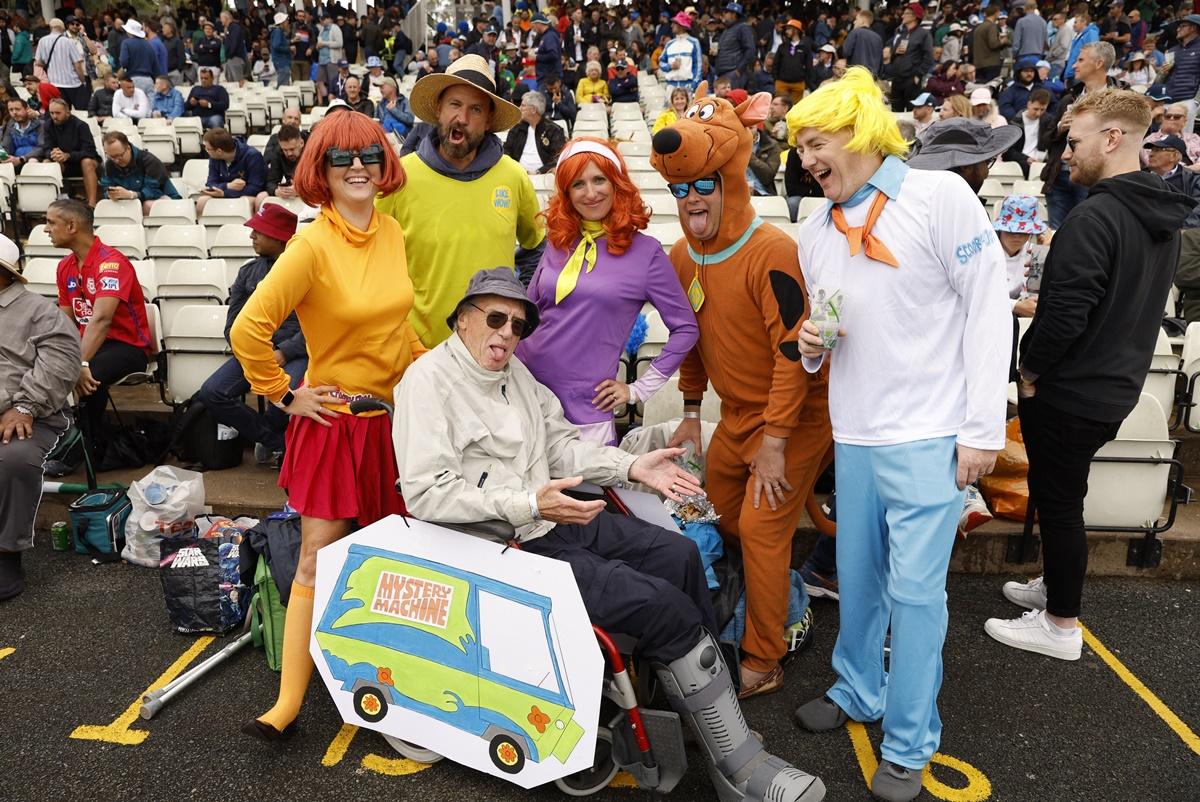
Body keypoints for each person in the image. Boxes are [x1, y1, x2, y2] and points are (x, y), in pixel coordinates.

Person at [393, 267, 827, 802]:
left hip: (549, 520)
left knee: (681, 553)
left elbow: (564, 448)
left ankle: (690, 714)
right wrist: (528, 501)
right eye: (496, 319)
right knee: (660, 605)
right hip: (498, 547)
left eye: (518, 326)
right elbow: (427, 494)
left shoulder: (516, 377)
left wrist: (633, 467)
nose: (507, 334)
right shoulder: (426, 382)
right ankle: (736, 765)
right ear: (462, 319)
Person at [788, 68, 1010, 802]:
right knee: (858, 581)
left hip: (930, 438)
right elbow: (822, 335)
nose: (805, 159)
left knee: (917, 598)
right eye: (800, 147)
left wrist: (980, 431)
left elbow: (988, 312)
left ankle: (912, 744)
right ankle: (857, 690)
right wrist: (812, 343)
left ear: (855, 134)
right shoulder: (814, 230)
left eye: (815, 143)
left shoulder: (939, 195)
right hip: (855, 437)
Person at [232, 109, 420, 743]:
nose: (358, 166)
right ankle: (287, 702)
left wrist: (439, 372)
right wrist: (286, 395)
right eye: (342, 158)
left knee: (393, 558)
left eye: (369, 153)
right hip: (335, 424)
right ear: (321, 170)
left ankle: (390, 682)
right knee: (316, 558)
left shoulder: (393, 232)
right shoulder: (310, 244)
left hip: (392, 423)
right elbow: (247, 331)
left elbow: (399, 327)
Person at [986, 90, 1194, 660]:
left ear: (1112, 138)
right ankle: (1057, 586)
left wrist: (1029, 371)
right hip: (1112, 387)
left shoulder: (1095, 216)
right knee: (1064, 499)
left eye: (1074, 142)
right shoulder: (1160, 216)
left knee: (1058, 504)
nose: (1065, 156)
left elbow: (1065, 316)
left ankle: (1059, 624)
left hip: (1071, 390)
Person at [651, 83, 833, 699]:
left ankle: (764, 655)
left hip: (797, 420)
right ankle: (783, 598)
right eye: (680, 189)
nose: (691, 198)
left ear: (730, 179)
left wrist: (777, 443)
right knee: (716, 513)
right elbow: (692, 336)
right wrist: (694, 411)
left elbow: (795, 358)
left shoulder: (773, 250)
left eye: (704, 184)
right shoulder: (683, 256)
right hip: (737, 421)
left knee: (759, 528)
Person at [517, 138, 696, 443]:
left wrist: (637, 389)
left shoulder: (647, 253)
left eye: (599, 180)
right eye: (578, 184)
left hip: (586, 409)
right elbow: (527, 313)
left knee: (589, 491)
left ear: (616, 184)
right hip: (524, 391)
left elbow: (686, 329)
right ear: (567, 193)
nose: (590, 193)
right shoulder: (558, 242)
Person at [375, 54, 543, 348]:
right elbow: (372, 259)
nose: (462, 119)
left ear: (489, 120)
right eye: (455, 104)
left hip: (494, 353)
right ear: (438, 109)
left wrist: (517, 303)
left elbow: (536, 247)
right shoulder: (401, 176)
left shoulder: (513, 176)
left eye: (475, 109)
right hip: (418, 353)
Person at [0, 234, 80, 601]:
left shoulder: (40, 312)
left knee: (13, 458)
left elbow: (61, 364)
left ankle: (6, 553)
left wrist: (25, 405)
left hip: (34, 413)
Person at [199, 205, 306, 466]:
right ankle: (276, 442)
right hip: (255, 351)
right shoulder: (248, 271)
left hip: (297, 352)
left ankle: (274, 441)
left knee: (288, 390)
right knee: (212, 392)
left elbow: (317, 325)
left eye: (259, 231)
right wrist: (253, 351)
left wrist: (284, 351)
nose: (252, 236)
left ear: (279, 237)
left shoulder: (306, 268)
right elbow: (232, 324)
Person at [49, 199, 153, 446]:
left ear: (72, 225)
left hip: (128, 347)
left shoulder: (111, 263)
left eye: (51, 222)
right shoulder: (65, 266)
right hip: (91, 344)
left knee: (87, 376)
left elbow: (102, 319)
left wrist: (80, 362)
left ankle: (86, 447)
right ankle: (85, 444)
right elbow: (64, 319)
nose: (46, 229)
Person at [1042, 41, 1117, 229]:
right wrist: (1060, 127)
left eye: (1080, 60)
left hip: (1094, 177)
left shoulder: (1119, 99)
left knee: (1087, 231)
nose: (1074, 65)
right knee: (1055, 234)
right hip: (1060, 175)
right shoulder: (1069, 97)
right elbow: (1045, 139)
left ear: (1099, 63)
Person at [31, 99, 100, 207]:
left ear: (68, 113)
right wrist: (53, 154)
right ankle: (50, 204)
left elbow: (90, 151)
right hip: (62, 163)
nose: (54, 116)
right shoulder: (48, 125)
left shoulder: (81, 125)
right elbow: (46, 148)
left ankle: (92, 204)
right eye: (52, 113)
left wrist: (68, 156)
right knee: (47, 162)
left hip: (82, 162)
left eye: (58, 113)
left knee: (87, 162)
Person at [99, 130, 182, 214]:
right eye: (112, 156)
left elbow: (154, 191)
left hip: (165, 200)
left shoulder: (149, 161)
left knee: (147, 205)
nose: (116, 160)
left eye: (120, 155)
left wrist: (131, 195)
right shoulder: (109, 165)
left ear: (128, 148)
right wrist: (112, 194)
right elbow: (106, 187)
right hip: (132, 203)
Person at [992, 195, 1045, 317]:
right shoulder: (985, 251)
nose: (1017, 236)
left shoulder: (1033, 252)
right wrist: (1014, 306)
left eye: (1023, 231)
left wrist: (1043, 253)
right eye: (1011, 230)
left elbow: (1035, 294)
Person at [197, 128, 267, 215]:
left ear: (219, 151)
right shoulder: (214, 157)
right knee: (201, 201)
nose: (206, 151)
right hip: (225, 192)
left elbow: (255, 188)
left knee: (247, 202)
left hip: (247, 195)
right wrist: (227, 185)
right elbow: (210, 183)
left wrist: (225, 193)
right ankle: (203, 227)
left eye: (208, 149)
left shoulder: (252, 156)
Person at [503, 91, 566, 175]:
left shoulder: (554, 131)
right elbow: (506, 152)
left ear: (533, 110)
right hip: (517, 175)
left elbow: (559, 157)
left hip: (545, 177)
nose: (520, 108)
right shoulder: (517, 129)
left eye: (523, 105)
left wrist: (538, 172)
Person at [1144, 135, 1200, 228]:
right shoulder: (1140, 176)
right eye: (1151, 150)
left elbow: (1197, 210)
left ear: (1174, 156)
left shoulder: (1193, 180)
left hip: (1178, 233)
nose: (1150, 154)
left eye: (1157, 150)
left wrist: (1179, 231)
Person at [886, 4, 934, 112]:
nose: (903, 16)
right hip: (897, 78)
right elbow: (892, 54)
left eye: (906, 13)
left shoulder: (923, 34)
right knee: (895, 111)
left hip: (911, 79)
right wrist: (895, 52)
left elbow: (929, 57)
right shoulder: (901, 33)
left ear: (915, 16)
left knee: (911, 111)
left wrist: (918, 74)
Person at [36, 18, 89, 110]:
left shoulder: (42, 41)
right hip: (73, 83)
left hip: (54, 84)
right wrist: (83, 80)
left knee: (62, 112)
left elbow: (38, 62)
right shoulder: (68, 41)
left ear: (51, 28)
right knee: (82, 111)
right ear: (62, 28)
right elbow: (77, 64)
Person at [714, 3, 755, 89]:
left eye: (726, 12)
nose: (723, 14)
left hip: (734, 73)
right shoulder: (726, 30)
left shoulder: (742, 27)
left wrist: (739, 70)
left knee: (732, 101)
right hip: (723, 73)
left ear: (733, 14)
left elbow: (750, 50)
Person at [771, 19, 811, 103]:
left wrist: (806, 83)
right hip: (782, 83)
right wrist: (776, 79)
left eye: (789, 29)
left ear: (796, 30)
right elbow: (775, 64)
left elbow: (809, 66)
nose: (786, 31)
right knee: (780, 106)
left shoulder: (805, 47)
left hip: (798, 84)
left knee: (795, 109)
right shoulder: (782, 46)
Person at [661, 11, 701, 91]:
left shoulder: (694, 42)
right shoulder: (669, 44)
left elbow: (697, 66)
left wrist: (693, 85)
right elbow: (661, 62)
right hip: (671, 86)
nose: (671, 26)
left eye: (674, 23)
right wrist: (670, 66)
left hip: (687, 86)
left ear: (681, 26)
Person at [1014, 88, 1053, 163]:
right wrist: (1025, 159)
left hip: (1041, 161)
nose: (1038, 113)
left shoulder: (1048, 120)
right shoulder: (1016, 121)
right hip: (1021, 161)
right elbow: (1009, 152)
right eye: (1036, 109)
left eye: (1043, 110)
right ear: (1029, 104)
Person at [1063, 9, 1100, 83]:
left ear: (1084, 22)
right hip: (1074, 74)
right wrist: (1067, 75)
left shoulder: (1091, 34)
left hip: (1080, 75)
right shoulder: (1079, 36)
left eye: (1076, 22)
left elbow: (1093, 54)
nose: (1074, 25)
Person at [972, 5, 1008, 82]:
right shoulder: (991, 26)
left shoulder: (978, 27)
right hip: (991, 64)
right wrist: (1002, 41)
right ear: (996, 13)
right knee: (991, 89)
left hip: (979, 64)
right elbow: (993, 44)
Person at [314, 13, 344, 104]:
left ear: (328, 19)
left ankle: (333, 101)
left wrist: (325, 44)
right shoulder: (322, 29)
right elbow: (320, 41)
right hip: (322, 59)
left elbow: (339, 43)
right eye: (320, 21)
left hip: (332, 60)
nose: (321, 23)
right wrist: (318, 45)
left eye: (322, 20)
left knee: (332, 82)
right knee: (319, 81)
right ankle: (325, 99)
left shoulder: (335, 28)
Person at [2, 99, 41, 166]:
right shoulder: (10, 127)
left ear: (27, 109)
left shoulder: (40, 124)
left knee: (32, 161)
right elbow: (6, 147)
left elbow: (42, 147)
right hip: (15, 161)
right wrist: (3, 156)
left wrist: (23, 158)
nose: (14, 112)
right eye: (11, 110)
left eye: (17, 109)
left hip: (36, 159)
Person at [842, 10, 883, 76]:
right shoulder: (878, 38)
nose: (854, 22)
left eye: (856, 19)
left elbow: (846, 52)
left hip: (856, 75)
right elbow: (881, 63)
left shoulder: (854, 32)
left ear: (862, 21)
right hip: (872, 77)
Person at [530, 13, 562, 89]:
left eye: (533, 26)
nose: (533, 29)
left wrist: (537, 57)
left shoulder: (549, 36)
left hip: (549, 79)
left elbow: (553, 55)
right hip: (546, 77)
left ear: (538, 24)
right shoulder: (545, 36)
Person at [219, 10, 248, 85]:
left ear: (226, 18)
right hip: (231, 59)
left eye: (221, 18)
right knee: (232, 84)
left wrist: (229, 54)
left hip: (235, 59)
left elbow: (234, 43)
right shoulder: (230, 28)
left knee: (238, 83)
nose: (220, 20)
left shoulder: (234, 27)